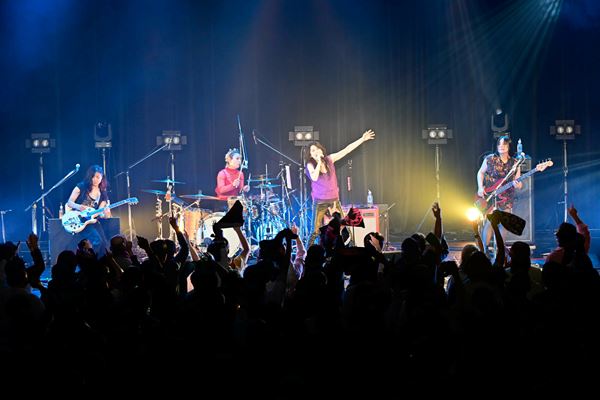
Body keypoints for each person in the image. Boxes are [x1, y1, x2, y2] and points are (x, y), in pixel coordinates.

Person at [306, 129, 375, 245]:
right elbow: (314, 177)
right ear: (310, 155)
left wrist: (362, 139)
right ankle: (308, 253)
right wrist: (318, 162)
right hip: (320, 202)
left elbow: (346, 150)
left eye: (317, 149)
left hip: (334, 200)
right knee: (315, 231)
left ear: (321, 150)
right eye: (313, 151)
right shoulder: (310, 165)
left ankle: (348, 250)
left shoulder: (329, 159)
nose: (316, 151)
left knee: (344, 228)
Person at [476, 136, 523, 255]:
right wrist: (480, 187)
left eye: (504, 144)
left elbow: (518, 181)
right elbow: (480, 173)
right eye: (499, 144)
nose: (501, 146)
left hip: (507, 196)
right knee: (490, 222)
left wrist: (518, 184)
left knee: (504, 224)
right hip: (491, 195)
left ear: (509, 146)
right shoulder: (490, 159)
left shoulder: (515, 163)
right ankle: (484, 250)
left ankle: (500, 250)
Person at [66, 165, 111, 251]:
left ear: (102, 177)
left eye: (98, 177)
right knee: (97, 241)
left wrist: (104, 213)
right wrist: (79, 206)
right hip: (79, 220)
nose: (95, 179)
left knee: (104, 245)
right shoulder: (81, 186)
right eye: (93, 177)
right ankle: (90, 258)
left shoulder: (103, 193)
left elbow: (99, 212)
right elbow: (69, 203)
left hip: (92, 220)